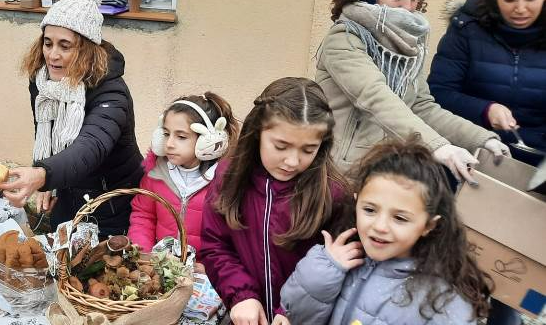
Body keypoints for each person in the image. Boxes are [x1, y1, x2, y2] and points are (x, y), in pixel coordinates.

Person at [316, 0, 509, 186]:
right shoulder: (344, 38)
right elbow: (375, 97)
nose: (408, 6)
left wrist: (481, 140)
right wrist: (438, 147)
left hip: (386, 171)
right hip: (339, 174)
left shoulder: (408, 46)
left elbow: (422, 106)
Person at [280, 138, 492, 324]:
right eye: (370, 210)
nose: (380, 226)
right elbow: (295, 317)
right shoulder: (336, 261)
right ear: (356, 204)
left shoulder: (444, 300)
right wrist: (322, 273)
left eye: (399, 218)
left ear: (429, 225)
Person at [0, 0, 143, 237]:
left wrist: (42, 174)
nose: (53, 55)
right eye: (48, 42)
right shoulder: (43, 81)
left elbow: (90, 148)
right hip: (67, 195)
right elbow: (46, 134)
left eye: (65, 46)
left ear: (86, 50)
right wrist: (46, 184)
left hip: (112, 207)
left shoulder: (112, 91)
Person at [199, 77, 348, 325]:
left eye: (308, 150)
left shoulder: (334, 194)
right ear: (258, 132)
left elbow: (339, 270)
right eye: (281, 146)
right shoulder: (229, 177)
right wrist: (241, 295)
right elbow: (215, 246)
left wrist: (292, 309)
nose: (292, 161)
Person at [429, 0, 546, 167]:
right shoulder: (466, 28)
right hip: (474, 155)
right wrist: (485, 110)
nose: (521, 8)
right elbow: (438, 93)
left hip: (539, 165)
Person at [128, 92, 239, 253]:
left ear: (208, 141)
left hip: (205, 272)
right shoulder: (156, 174)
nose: (169, 143)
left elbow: (234, 237)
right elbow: (143, 216)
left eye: (181, 136)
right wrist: (143, 254)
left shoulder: (226, 183)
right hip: (159, 267)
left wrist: (210, 267)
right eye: (166, 134)